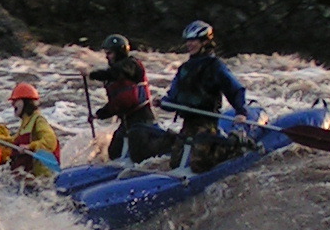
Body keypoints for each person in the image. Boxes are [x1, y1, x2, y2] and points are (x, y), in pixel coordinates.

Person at [162, 20, 254, 172]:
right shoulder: (184, 69)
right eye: (188, 41)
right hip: (188, 122)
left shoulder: (215, 66)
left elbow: (234, 89)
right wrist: (164, 102)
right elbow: (173, 95)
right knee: (175, 163)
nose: (189, 44)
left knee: (199, 163)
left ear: (205, 42)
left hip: (207, 122)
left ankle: (235, 145)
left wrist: (241, 111)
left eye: (194, 41)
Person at [87, 34, 155, 162]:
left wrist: (91, 74)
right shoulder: (113, 73)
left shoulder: (131, 65)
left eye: (110, 53)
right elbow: (116, 104)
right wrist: (98, 115)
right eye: (106, 53)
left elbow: (117, 73)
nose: (107, 56)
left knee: (138, 153)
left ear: (120, 52)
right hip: (126, 121)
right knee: (114, 152)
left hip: (142, 120)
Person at [0, 82, 60, 180]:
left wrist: (30, 146)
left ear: (25, 102)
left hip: (42, 178)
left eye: (15, 101)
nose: (12, 104)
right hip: (27, 176)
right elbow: (14, 142)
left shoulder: (38, 120)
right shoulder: (25, 123)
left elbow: (51, 141)